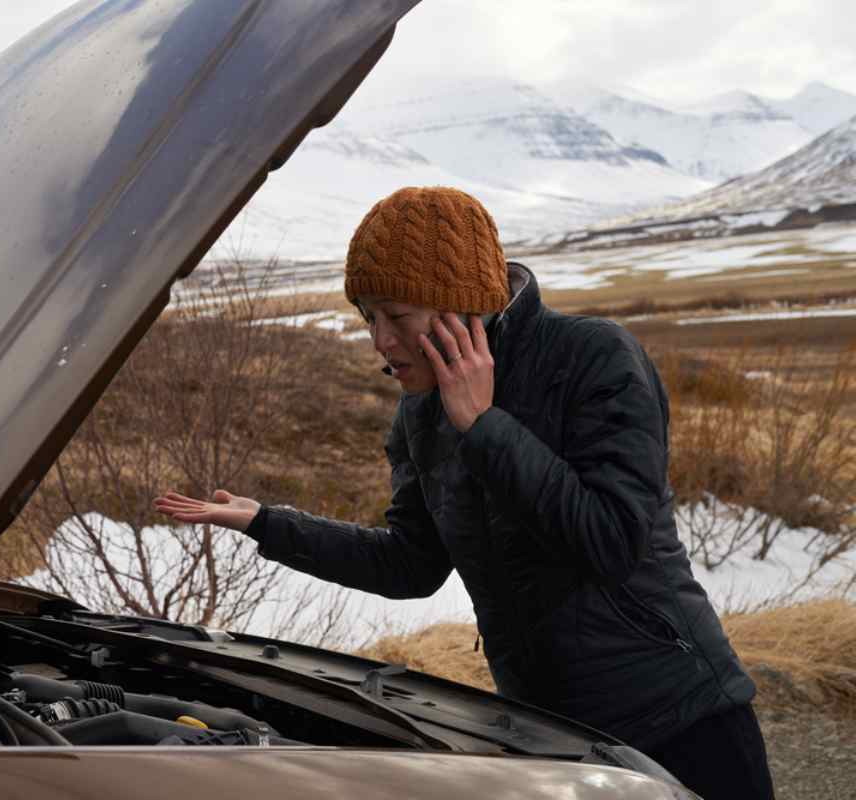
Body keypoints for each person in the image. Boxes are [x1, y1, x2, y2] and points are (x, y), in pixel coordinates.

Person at [154, 186, 773, 799]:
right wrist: (267, 522)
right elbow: (409, 564)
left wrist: (484, 425)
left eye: (396, 315)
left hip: (681, 715)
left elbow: (612, 539)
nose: (380, 341)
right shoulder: (420, 417)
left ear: (460, 305)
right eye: (368, 318)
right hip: (550, 735)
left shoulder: (593, 358)